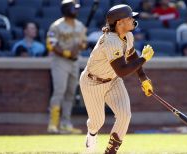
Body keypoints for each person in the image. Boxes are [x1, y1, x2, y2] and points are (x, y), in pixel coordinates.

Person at [79, 4, 154, 154]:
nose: (133, 19)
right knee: (96, 122)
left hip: (113, 81)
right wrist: (144, 58)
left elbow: (132, 56)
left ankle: (111, 152)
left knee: (125, 115)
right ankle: (92, 135)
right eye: (129, 18)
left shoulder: (128, 35)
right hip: (93, 82)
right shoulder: (110, 41)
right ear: (119, 22)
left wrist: (144, 79)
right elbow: (122, 71)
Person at [46, 0, 87, 134]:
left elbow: (84, 43)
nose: (76, 10)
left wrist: (81, 45)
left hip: (74, 62)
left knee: (70, 92)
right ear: (66, 9)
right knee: (59, 91)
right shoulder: (56, 26)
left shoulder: (80, 25)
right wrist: (67, 53)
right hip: (60, 61)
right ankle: (53, 124)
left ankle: (65, 123)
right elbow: (51, 44)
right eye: (74, 8)